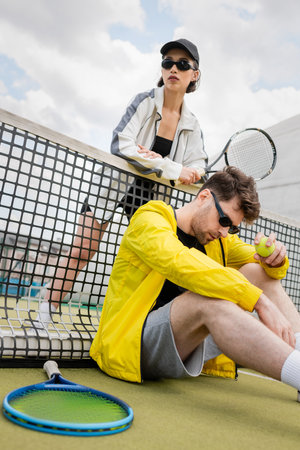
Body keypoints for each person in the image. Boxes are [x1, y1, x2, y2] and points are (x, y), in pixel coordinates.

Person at [36, 38, 207, 326]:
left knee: (146, 263)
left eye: (182, 64)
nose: (173, 68)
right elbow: (121, 144)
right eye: (167, 62)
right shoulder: (144, 100)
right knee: (82, 249)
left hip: (152, 200)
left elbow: (199, 164)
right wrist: (171, 167)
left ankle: (126, 323)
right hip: (111, 185)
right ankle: (45, 314)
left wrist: (184, 169)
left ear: (195, 74)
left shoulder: (193, 124)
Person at [90, 166, 300, 398]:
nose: (224, 231)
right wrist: (258, 301)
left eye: (232, 227)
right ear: (203, 197)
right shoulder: (149, 219)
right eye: (223, 220)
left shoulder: (221, 241)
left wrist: (275, 258)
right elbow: (178, 262)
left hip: (188, 344)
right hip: (135, 344)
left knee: (258, 271)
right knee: (207, 301)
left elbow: (263, 265)